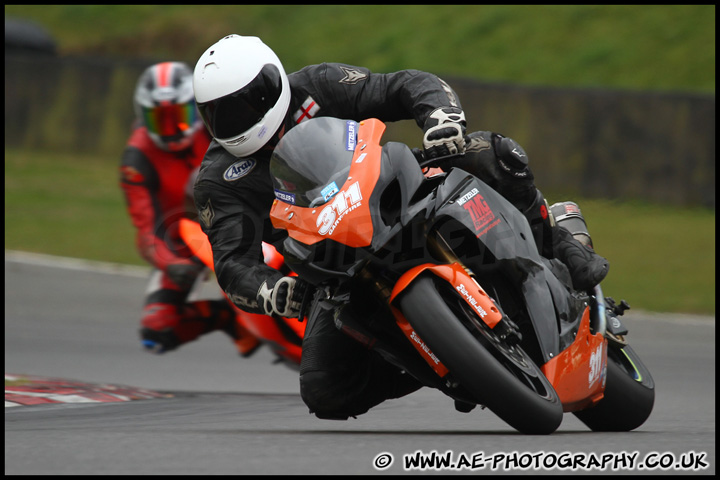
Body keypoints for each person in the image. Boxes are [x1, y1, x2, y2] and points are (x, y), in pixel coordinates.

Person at [191, 34, 608, 419]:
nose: (232, 122)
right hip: (332, 265)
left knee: (491, 153)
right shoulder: (218, 180)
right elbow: (232, 262)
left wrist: (440, 118)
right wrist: (270, 290)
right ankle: (448, 364)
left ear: (270, 86)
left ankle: (562, 241)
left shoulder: (318, 85)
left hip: (393, 189)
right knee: (325, 390)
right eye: (218, 115)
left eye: (241, 106)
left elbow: (402, 85)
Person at [119, 61, 261, 357]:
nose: (172, 131)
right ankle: (225, 317)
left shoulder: (216, 128)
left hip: (239, 219)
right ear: (143, 118)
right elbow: (146, 230)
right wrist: (171, 263)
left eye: (179, 118)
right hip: (182, 242)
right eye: (161, 120)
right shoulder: (136, 160)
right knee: (157, 331)